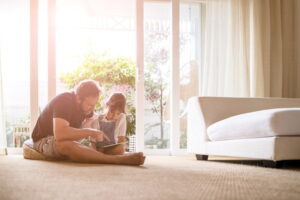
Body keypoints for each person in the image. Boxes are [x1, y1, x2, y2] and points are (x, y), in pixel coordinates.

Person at [31, 80, 145, 165]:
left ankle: (107, 156)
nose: (92, 108)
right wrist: (90, 132)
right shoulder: (64, 101)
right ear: (78, 98)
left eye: (95, 105)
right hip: (45, 139)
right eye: (90, 105)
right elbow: (60, 134)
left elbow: (96, 119)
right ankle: (116, 160)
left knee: (79, 146)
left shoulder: (85, 109)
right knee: (66, 144)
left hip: (64, 140)